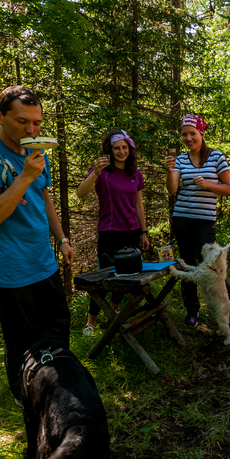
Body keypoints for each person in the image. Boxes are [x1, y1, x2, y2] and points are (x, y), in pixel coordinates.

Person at [0, 85, 75, 404]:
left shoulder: (35, 152)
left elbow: (44, 197)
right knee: (21, 341)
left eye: (37, 123)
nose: (32, 129)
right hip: (9, 267)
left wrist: (61, 239)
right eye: (23, 121)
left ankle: (59, 385)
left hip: (43, 260)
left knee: (57, 329)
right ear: (0, 115)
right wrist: (23, 176)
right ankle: (25, 398)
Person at [165, 114, 230, 329]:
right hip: (181, 219)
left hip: (204, 221)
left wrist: (208, 184)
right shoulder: (180, 159)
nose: (188, 138)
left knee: (212, 266)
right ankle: (192, 310)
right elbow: (172, 190)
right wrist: (170, 171)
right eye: (184, 134)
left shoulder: (217, 157)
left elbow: (228, 189)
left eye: (193, 133)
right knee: (186, 264)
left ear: (201, 133)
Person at [77, 130, 151, 335]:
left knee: (126, 277)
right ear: (109, 150)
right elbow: (81, 193)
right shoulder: (102, 172)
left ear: (130, 149)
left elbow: (138, 205)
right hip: (109, 232)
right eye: (116, 148)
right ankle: (90, 323)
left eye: (124, 147)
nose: (121, 151)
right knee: (103, 279)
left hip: (131, 232)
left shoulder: (136, 174)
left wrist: (143, 232)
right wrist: (95, 172)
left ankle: (114, 314)